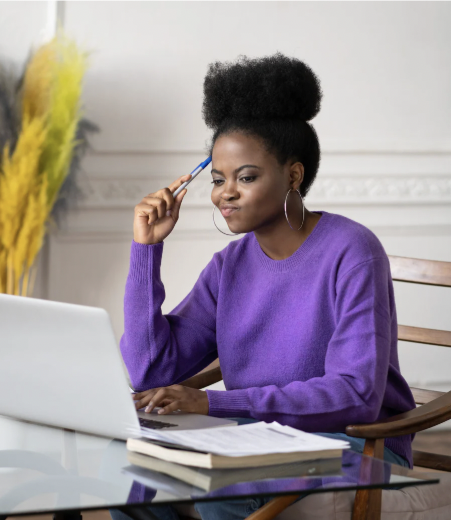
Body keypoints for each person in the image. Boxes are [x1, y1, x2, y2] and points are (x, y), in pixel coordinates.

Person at [114, 53, 417, 520]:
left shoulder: (353, 251)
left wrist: (214, 403)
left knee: (222, 485)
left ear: (293, 175)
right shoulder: (229, 265)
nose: (226, 193)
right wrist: (146, 250)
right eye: (218, 179)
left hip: (358, 445)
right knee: (133, 475)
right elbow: (149, 369)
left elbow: (355, 394)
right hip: (254, 437)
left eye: (247, 177)